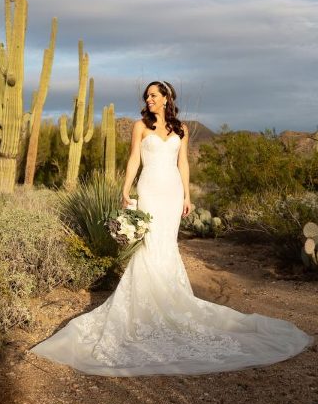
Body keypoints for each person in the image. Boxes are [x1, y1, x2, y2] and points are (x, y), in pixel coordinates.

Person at [31, 81, 312, 376]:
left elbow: (184, 164)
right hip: (150, 189)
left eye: (153, 95)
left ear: (166, 98)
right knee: (150, 246)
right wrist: (125, 191)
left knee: (167, 245)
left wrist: (188, 196)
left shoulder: (182, 130)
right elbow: (133, 161)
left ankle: (170, 302)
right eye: (147, 96)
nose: (149, 99)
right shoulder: (140, 127)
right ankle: (148, 307)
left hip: (172, 192)